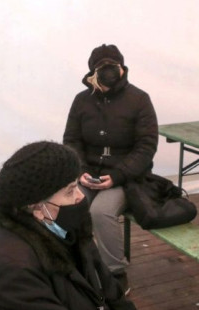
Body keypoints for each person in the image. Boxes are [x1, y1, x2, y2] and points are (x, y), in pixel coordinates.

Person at [0, 141, 157, 310]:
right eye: (69, 191)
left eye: (76, 186)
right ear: (36, 207)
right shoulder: (12, 267)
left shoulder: (64, 225)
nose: (79, 197)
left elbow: (104, 284)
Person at [63, 44, 158, 293]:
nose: (108, 74)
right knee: (68, 204)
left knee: (101, 211)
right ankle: (79, 262)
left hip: (127, 177)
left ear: (122, 69)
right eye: (102, 69)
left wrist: (116, 176)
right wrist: (80, 170)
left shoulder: (139, 99)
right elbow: (72, 140)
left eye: (112, 68)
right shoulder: (82, 101)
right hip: (89, 173)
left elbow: (146, 147)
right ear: (92, 73)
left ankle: (115, 272)